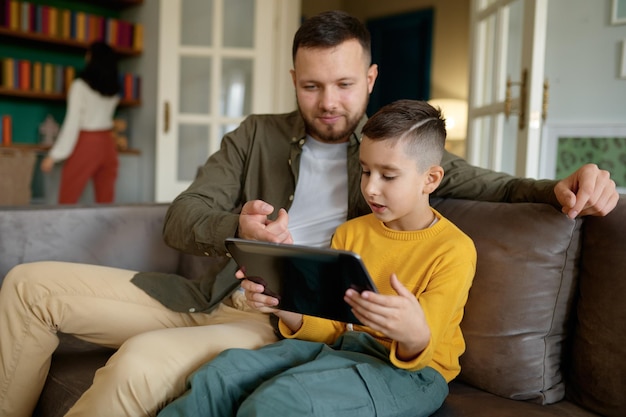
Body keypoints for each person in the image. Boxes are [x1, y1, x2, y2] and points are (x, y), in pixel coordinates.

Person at [0, 10, 618, 417]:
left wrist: (565, 186)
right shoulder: (257, 135)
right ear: (293, 78)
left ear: (370, 78)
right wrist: (236, 229)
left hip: (281, 319)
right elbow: (183, 215)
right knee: (26, 287)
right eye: (312, 86)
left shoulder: (390, 156)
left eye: (345, 85)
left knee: (135, 366)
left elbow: (502, 186)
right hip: (205, 292)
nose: (329, 102)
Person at [158, 99, 477, 417]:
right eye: (365, 171)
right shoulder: (350, 234)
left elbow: (423, 350)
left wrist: (411, 331)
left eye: (388, 176)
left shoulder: (453, 250)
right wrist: (284, 304)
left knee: (279, 401)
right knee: (221, 374)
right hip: (342, 351)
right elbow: (334, 330)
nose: (371, 188)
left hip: (413, 373)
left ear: (431, 179)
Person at [40, 41, 121, 204]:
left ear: (92, 58)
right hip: (108, 145)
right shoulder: (114, 91)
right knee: (106, 202)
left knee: (67, 198)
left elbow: (72, 124)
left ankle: (63, 230)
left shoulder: (79, 86)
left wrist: (54, 156)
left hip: (87, 142)